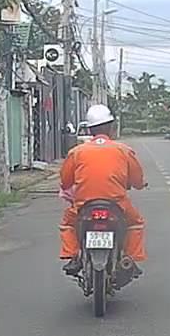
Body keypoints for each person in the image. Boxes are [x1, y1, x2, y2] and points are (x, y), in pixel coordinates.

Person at [59, 104, 147, 277]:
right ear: (111, 128)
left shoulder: (76, 152)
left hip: (83, 205)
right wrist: (139, 185)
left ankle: (74, 256)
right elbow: (137, 180)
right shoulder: (123, 150)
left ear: (90, 129)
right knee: (136, 223)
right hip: (117, 204)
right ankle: (128, 259)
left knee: (68, 224)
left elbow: (65, 181)